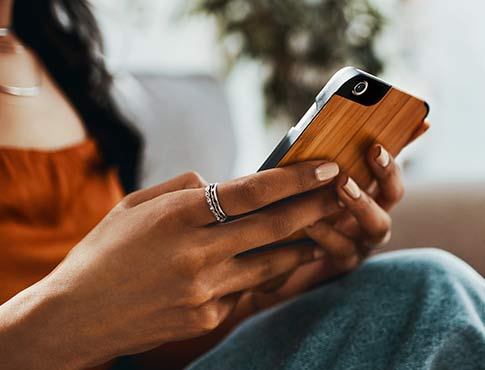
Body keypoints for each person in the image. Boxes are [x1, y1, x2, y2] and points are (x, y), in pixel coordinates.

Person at [0, 1, 483, 370]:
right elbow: (86, 323)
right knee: (427, 288)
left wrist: (274, 281)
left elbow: (133, 345)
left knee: (409, 293)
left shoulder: (54, 58)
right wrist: (70, 315)